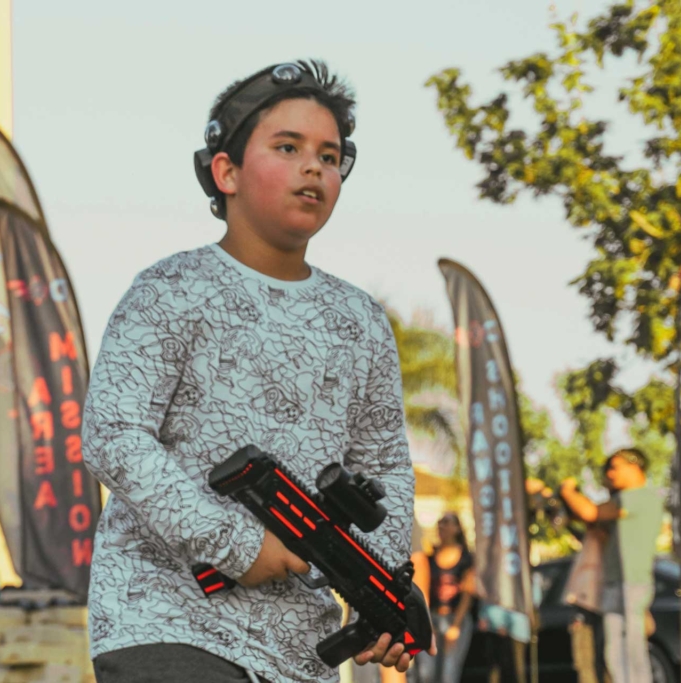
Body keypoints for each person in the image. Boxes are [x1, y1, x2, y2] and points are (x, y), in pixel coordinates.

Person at [81, 60, 434, 683]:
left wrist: (380, 588)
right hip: (166, 621)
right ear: (227, 172)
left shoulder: (360, 319)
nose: (313, 168)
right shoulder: (170, 288)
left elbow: (383, 467)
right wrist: (237, 546)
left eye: (330, 156)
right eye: (288, 147)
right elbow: (114, 434)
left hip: (301, 649)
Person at [557, 448, 664, 683]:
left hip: (632, 582)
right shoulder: (620, 501)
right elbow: (592, 524)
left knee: (633, 649)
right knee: (614, 651)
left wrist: (567, 491)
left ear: (634, 466)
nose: (610, 474)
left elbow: (590, 512)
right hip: (614, 581)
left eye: (615, 467)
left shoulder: (639, 497)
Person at [409, 512, 475, 683]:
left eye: (446, 522)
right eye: (439, 522)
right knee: (426, 673)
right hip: (432, 617)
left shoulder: (466, 559)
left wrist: (456, 625)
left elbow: (468, 593)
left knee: (448, 674)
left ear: (457, 528)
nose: (441, 526)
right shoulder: (430, 558)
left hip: (455, 618)